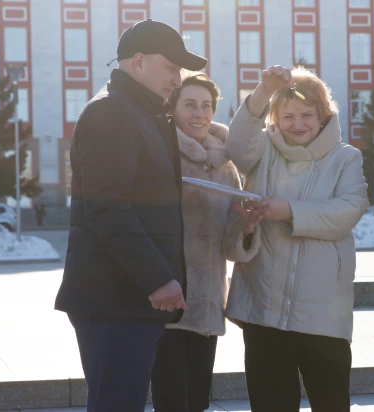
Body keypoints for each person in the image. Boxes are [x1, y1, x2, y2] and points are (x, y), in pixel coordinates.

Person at [54, 19, 207, 412]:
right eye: (171, 67)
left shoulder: (141, 113)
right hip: (114, 300)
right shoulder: (112, 113)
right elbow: (108, 208)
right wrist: (158, 279)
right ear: (138, 62)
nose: (178, 79)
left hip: (127, 297)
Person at [223, 65, 369, 412]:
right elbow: (237, 145)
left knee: (331, 403)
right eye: (286, 115)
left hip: (323, 315)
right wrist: (261, 93)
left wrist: (289, 210)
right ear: (273, 117)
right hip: (264, 309)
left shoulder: (346, 158)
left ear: (324, 114)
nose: (297, 123)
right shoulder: (262, 152)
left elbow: (348, 210)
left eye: (307, 114)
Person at [150, 71, 240, 412]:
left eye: (206, 105)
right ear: (174, 109)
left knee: (198, 401)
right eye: (190, 105)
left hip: (208, 304)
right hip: (167, 301)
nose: (199, 113)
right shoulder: (160, 154)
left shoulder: (225, 166)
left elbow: (232, 245)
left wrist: (245, 225)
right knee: (172, 400)